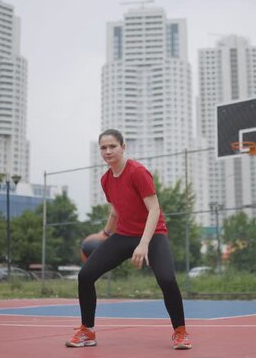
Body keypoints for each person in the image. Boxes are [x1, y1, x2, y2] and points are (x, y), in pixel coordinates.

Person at [65, 129, 192, 350]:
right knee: (85, 275)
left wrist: (144, 244)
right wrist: (105, 234)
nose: (108, 151)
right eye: (103, 148)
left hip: (153, 234)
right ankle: (88, 331)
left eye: (112, 146)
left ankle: (180, 332)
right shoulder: (105, 180)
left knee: (167, 280)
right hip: (123, 235)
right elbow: (115, 212)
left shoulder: (137, 172)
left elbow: (154, 209)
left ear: (123, 147)